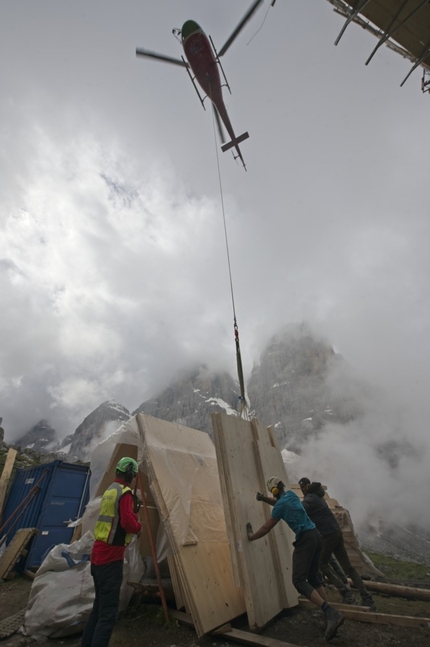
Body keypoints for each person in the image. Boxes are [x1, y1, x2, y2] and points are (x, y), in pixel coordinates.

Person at [247, 476, 344, 641]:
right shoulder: (291, 495)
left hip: (305, 539)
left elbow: (266, 527)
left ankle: (330, 612)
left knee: (298, 581)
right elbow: (278, 503)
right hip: (316, 536)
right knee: (312, 576)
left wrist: (251, 536)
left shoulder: (279, 508)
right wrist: (263, 499)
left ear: (274, 490)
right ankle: (329, 614)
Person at [81, 457, 142, 647]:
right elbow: (127, 523)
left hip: (98, 557)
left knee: (98, 608)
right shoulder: (125, 493)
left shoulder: (110, 490)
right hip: (110, 559)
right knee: (108, 615)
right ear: (130, 474)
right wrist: (138, 527)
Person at [298, 477, 376, 611]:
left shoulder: (310, 499)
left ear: (308, 486)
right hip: (336, 533)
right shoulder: (318, 496)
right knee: (348, 568)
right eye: (301, 488)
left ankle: (346, 593)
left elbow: (298, 509)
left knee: (322, 564)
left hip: (327, 536)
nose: (302, 490)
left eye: (303, 487)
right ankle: (367, 598)